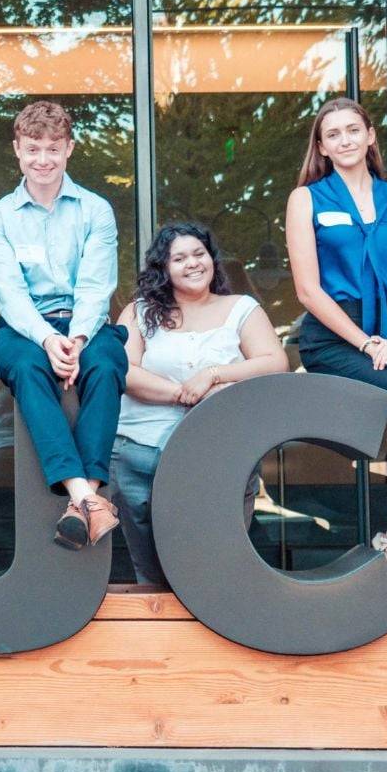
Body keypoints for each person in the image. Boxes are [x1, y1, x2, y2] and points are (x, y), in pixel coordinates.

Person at [283, 96, 387, 592]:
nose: (345, 140)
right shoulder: (306, 199)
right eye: (333, 134)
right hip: (335, 335)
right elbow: (308, 291)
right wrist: (370, 344)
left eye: (353, 130)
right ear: (323, 147)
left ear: (370, 136)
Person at [0, 100, 128, 551]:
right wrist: (47, 339)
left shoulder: (95, 210)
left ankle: (81, 501)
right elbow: (9, 294)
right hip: (25, 327)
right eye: (32, 149)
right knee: (27, 370)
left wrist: (78, 340)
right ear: (17, 150)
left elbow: (95, 285)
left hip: (84, 322)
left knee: (107, 365)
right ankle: (85, 496)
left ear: (69, 148)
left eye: (52, 148)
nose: (42, 159)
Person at [113, 223, 286, 584]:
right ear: (163, 268)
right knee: (153, 574)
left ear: (212, 259)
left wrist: (213, 375)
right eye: (179, 258)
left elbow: (274, 361)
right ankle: (162, 642)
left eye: (199, 254)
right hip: (140, 456)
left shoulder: (241, 308)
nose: (192, 263)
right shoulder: (138, 312)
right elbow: (125, 373)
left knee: (215, 571)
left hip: (221, 455)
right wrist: (183, 393)